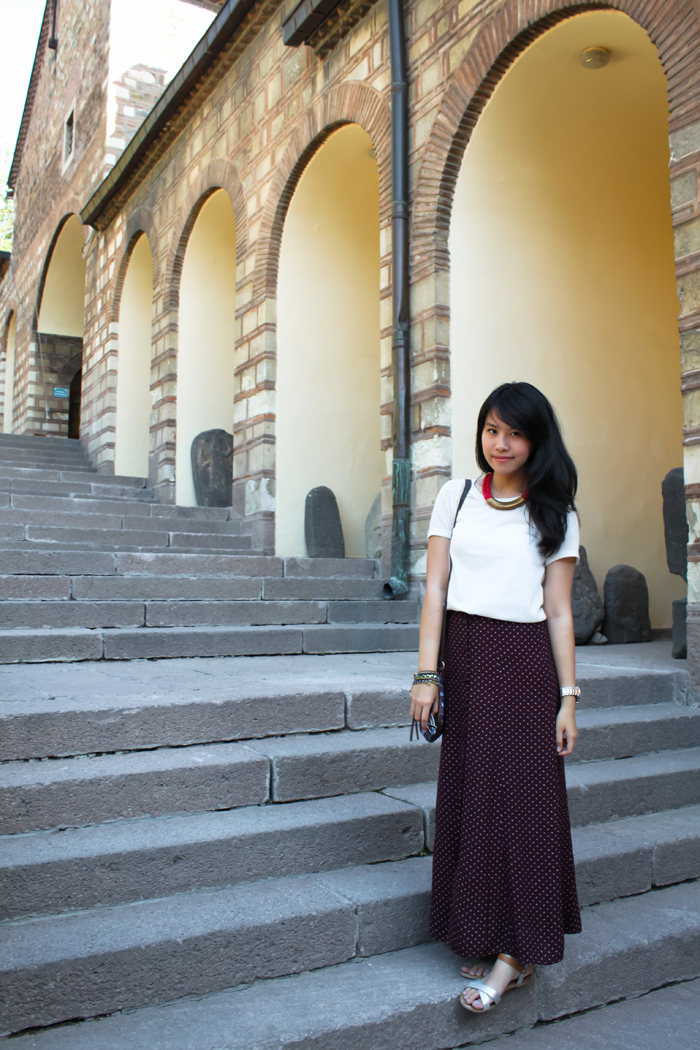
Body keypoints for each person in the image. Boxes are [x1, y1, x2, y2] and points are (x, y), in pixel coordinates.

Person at [410, 381, 582, 1014]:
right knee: (475, 795)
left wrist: (568, 697)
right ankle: (485, 933)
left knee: (526, 802)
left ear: (536, 441)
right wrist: (427, 675)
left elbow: (559, 610)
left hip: (526, 664)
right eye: (491, 430)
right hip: (466, 660)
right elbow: (435, 590)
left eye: (514, 433)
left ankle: (515, 955)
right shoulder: (455, 498)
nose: (500, 443)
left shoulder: (555, 513)